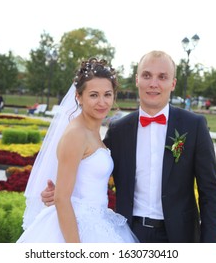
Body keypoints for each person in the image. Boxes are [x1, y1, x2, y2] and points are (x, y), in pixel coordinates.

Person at [42, 50, 216, 243]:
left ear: (173, 83)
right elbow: (94, 168)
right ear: (137, 80)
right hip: (129, 233)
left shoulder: (194, 126)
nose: (153, 84)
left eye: (162, 77)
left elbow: (210, 192)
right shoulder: (119, 130)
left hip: (180, 236)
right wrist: (59, 194)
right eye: (147, 75)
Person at [17, 58, 137, 243]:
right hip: (78, 227)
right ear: (79, 97)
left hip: (99, 220)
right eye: (93, 95)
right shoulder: (76, 134)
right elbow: (62, 199)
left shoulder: (93, 131)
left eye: (107, 94)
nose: (102, 102)